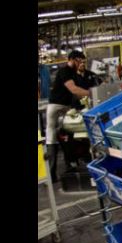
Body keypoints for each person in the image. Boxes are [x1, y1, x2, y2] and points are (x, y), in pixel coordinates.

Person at [45, 50, 90, 182]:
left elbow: (78, 90)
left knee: (69, 135)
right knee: (51, 138)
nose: (81, 63)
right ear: (72, 59)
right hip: (55, 107)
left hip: (66, 107)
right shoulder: (64, 71)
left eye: (82, 61)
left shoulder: (73, 73)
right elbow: (74, 90)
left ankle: (70, 164)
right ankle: (51, 175)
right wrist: (92, 93)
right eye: (79, 61)